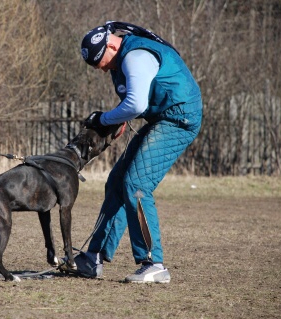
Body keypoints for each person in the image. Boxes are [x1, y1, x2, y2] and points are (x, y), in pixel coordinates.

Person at [73, 21, 203, 283]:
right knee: (117, 182)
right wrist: (113, 121)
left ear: (111, 44)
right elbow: (132, 103)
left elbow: (136, 103)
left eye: (102, 61)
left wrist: (104, 118)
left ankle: (154, 264)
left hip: (180, 120)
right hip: (162, 118)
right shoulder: (120, 59)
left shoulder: (136, 56)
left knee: (137, 185)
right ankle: (93, 257)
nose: (102, 69)